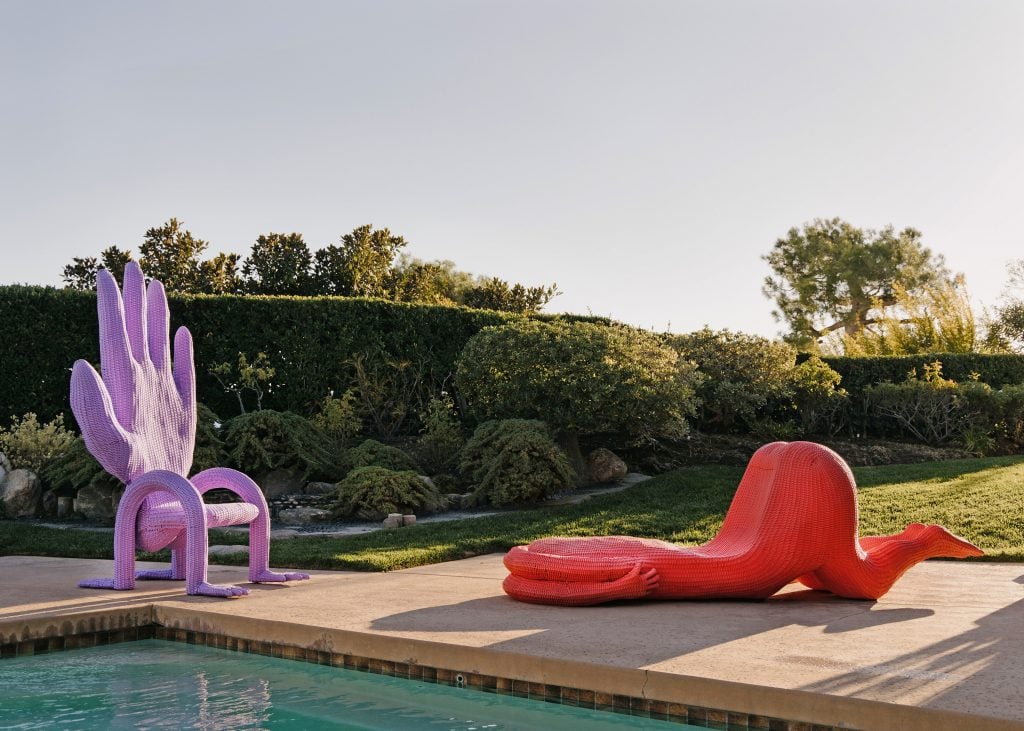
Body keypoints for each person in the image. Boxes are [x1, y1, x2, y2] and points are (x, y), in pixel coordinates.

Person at [503, 441, 982, 605]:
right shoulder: (542, 567)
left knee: (864, 583)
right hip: (804, 483)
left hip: (795, 501)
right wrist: (618, 588)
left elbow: (530, 585)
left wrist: (619, 589)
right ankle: (902, 541)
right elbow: (525, 584)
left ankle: (918, 542)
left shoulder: (603, 566)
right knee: (838, 576)